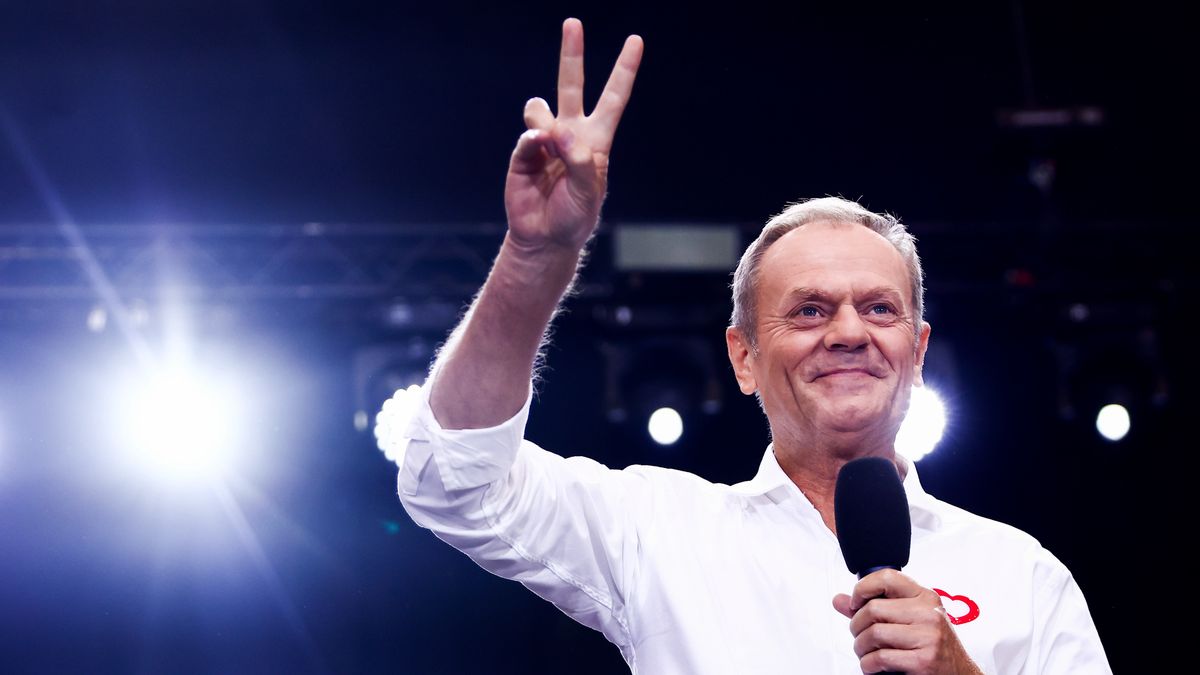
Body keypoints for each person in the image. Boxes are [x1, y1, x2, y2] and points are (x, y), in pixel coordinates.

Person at [383, 18, 1111, 674]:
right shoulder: (659, 534)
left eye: (879, 307)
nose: (850, 332)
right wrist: (536, 256)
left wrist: (961, 673)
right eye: (810, 310)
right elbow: (451, 478)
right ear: (743, 357)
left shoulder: (1023, 574)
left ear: (917, 351)